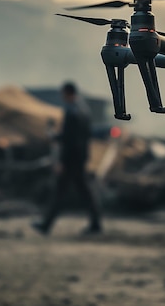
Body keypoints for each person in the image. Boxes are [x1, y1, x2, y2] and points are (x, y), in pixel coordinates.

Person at [32, 81, 102, 235]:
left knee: (61, 192)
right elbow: (80, 137)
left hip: (71, 159)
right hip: (79, 157)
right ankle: (95, 223)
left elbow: (70, 140)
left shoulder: (72, 112)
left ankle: (46, 224)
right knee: (83, 191)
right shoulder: (83, 110)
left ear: (68, 93)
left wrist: (62, 160)